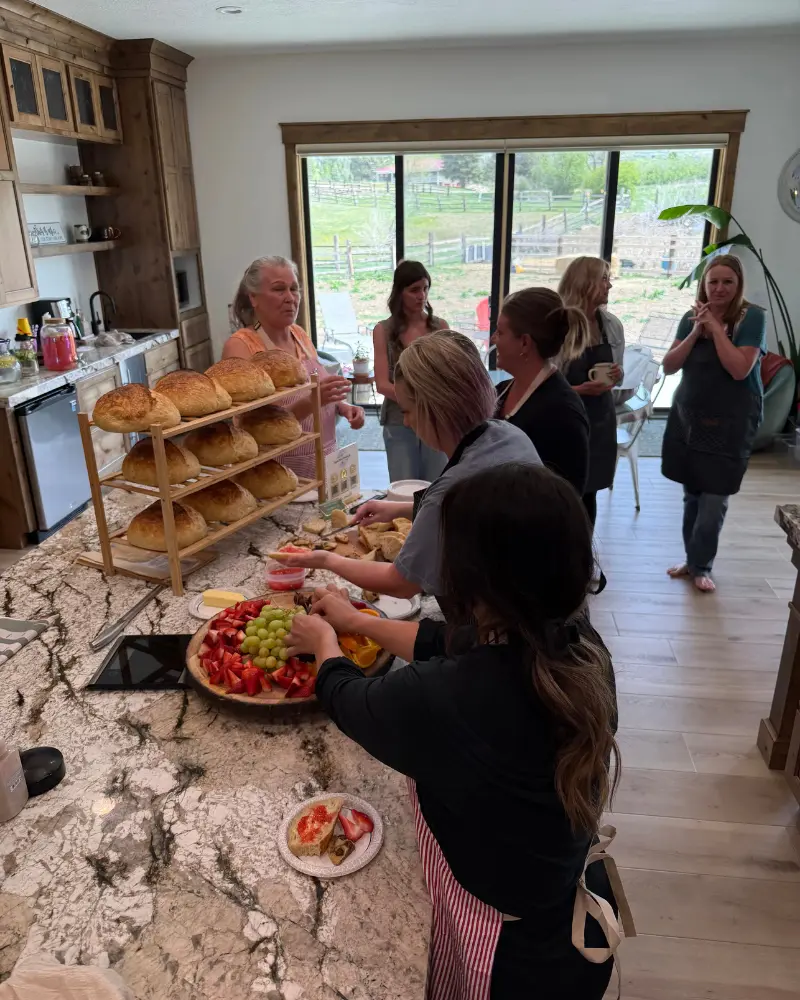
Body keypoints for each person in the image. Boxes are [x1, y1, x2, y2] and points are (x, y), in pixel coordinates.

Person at [287, 463, 624, 1000]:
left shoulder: (450, 697)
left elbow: (353, 701)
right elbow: (446, 641)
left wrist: (325, 644)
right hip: (558, 908)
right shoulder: (575, 643)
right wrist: (359, 623)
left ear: (470, 585)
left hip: (510, 956)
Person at [275, 331, 541, 602]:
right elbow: (465, 511)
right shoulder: (507, 433)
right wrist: (401, 508)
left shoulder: (456, 488)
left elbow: (401, 583)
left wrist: (327, 560)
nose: (406, 423)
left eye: (407, 411)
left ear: (435, 407)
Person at [661, 254, 767, 593]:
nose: (719, 288)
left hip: (732, 420)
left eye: (727, 282)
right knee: (692, 494)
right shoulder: (690, 317)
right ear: (704, 285)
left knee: (713, 499)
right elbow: (669, 366)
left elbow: (739, 368)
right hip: (690, 416)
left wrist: (717, 331)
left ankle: (703, 565)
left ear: (738, 286)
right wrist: (695, 330)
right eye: (713, 282)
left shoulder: (752, 319)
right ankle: (693, 563)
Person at [222, 256, 364, 479]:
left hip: (325, 465)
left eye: (294, 289)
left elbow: (317, 390)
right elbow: (252, 430)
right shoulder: (241, 346)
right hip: (277, 474)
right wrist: (311, 402)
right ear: (253, 298)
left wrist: (342, 405)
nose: (290, 298)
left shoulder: (299, 335)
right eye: (279, 289)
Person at [493, 286, 590, 494]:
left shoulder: (562, 413)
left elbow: (567, 499)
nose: (494, 339)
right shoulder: (501, 391)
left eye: (500, 332)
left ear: (525, 343)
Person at [558, 257, 625, 526]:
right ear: (585, 283)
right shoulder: (560, 324)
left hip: (601, 421)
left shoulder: (611, 324)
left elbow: (618, 379)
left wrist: (617, 376)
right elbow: (542, 382)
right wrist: (579, 389)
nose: (610, 285)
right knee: (563, 495)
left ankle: (585, 559)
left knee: (590, 495)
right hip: (565, 419)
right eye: (604, 279)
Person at [374, 260, 449, 483]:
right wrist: (417, 403)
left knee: (437, 485)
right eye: (414, 290)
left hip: (436, 420)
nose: (421, 295)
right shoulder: (383, 330)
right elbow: (382, 384)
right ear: (399, 293)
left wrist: (431, 404)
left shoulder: (440, 327)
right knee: (404, 487)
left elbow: (449, 377)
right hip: (399, 418)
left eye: (425, 288)